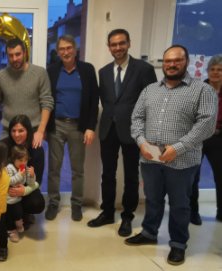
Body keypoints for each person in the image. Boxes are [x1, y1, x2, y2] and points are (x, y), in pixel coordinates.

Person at [126, 45, 217, 266]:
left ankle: (178, 244)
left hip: (183, 160)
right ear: (163, 64)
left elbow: (206, 125)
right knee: (153, 199)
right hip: (150, 157)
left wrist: (178, 147)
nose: (172, 64)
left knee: (179, 204)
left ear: (185, 61)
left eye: (177, 60)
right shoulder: (150, 90)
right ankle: (149, 232)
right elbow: (136, 119)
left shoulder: (202, 91)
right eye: (167, 61)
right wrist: (141, 142)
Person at [88, 29, 158, 236]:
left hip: (133, 131)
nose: (117, 48)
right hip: (108, 129)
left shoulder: (144, 69)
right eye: (113, 44)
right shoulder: (103, 72)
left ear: (129, 43)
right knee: (107, 174)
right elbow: (106, 101)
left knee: (131, 176)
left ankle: (127, 216)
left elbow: (151, 101)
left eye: (121, 43)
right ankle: (107, 212)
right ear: (109, 47)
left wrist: (148, 132)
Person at [45, 34, 99, 222]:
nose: (66, 52)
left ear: (75, 50)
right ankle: (53, 203)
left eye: (69, 48)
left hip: (79, 126)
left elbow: (94, 100)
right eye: (62, 49)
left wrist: (91, 127)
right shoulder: (51, 71)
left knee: (77, 169)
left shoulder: (87, 70)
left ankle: (77, 205)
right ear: (58, 52)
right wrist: (44, 127)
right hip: (56, 126)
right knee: (54, 168)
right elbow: (45, 99)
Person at [0, 38, 54, 149]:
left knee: (33, 166)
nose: (14, 59)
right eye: (10, 55)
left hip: (33, 133)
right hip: (9, 133)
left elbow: (47, 103)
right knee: (4, 165)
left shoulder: (40, 73)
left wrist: (40, 131)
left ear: (25, 53)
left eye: (17, 54)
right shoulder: (1, 76)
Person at [189, 54, 222, 225]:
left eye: (220, 70)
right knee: (193, 176)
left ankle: (221, 212)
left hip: (219, 138)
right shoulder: (200, 89)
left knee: (220, 176)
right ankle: (193, 212)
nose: (216, 73)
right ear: (208, 71)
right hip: (200, 137)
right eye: (212, 69)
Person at [1, 115, 45, 229]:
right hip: (6, 188)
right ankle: (12, 215)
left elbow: (38, 180)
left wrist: (24, 191)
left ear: (28, 131)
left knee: (37, 203)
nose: (16, 134)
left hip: (26, 187)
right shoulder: (3, 146)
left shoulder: (36, 149)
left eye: (21, 131)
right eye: (13, 131)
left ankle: (24, 214)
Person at [5, 145, 35, 242]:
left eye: (25, 160)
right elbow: (9, 181)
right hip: (7, 199)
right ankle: (12, 231)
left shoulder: (25, 168)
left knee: (18, 213)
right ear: (14, 159)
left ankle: (19, 222)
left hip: (17, 198)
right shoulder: (9, 168)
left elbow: (31, 183)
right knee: (8, 216)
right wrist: (19, 175)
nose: (23, 163)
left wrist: (32, 175)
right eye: (20, 160)